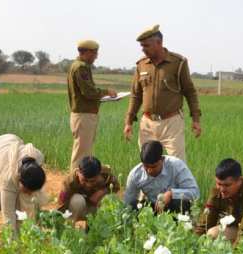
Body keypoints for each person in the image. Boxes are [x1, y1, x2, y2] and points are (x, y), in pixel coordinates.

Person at [123, 24, 201, 163]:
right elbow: (136, 95)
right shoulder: (141, 65)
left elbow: (190, 92)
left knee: (177, 164)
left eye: (146, 45)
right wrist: (128, 121)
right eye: (142, 46)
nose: (143, 49)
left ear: (158, 43)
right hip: (147, 123)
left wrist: (196, 119)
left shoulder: (178, 63)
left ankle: (177, 186)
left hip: (172, 123)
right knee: (147, 163)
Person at [0, 134, 47, 231]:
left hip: (6, 144)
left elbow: (36, 199)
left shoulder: (38, 157)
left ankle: (22, 235)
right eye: (28, 190)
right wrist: (13, 243)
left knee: (21, 206)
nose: (30, 193)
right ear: (20, 180)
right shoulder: (7, 179)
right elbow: (8, 218)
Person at [67, 40, 117, 171]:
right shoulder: (81, 67)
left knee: (85, 151)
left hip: (84, 115)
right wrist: (107, 93)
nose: (96, 56)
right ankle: (74, 182)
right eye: (94, 53)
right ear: (87, 52)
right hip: (84, 115)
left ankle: (82, 178)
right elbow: (88, 92)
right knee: (81, 153)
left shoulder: (78, 65)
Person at [123, 140, 199, 213]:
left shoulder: (176, 166)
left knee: (180, 203)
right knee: (132, 205)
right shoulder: (135, 174)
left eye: (153, 167)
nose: (149, 170)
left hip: (173, 208)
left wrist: (171, 194)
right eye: (146, 166)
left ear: (162, 159)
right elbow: (128, 202)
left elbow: (195, 192)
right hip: (152, 209)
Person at [58, 156, 120, 222]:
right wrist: (60, 219)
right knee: (77, 200)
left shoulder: (105, 174)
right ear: (78, 172)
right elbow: (62, 204)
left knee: (110, 198)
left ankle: (93, 228)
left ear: (99, 174)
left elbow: (116, 186)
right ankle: (70, 226)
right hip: (77, 210)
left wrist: (101, 192)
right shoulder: (69, 182)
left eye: (93, 181)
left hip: (95, 207)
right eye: (84, 180)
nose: (88, 184)